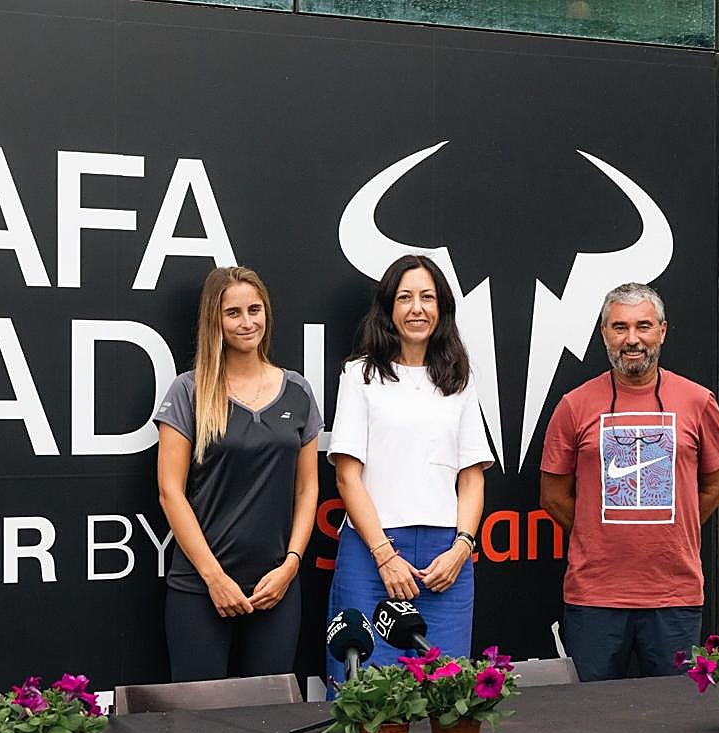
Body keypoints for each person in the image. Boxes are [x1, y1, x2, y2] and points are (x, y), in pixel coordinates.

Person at [539, 282, 719, 681]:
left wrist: (677, 527)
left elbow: (714, 485)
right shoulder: (574, 405)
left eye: (643, 326)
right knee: (591, 719)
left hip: (674, 595)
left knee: (675, 722)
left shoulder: (699, 401)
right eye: (619, 327)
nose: (632, 339)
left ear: (662, 330)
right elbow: (553, 495)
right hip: (594, 598)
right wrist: (597, 531)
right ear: (604, 334)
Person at [326, 254, 494, 688]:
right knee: (366, 695)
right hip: (373, 554)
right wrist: (385, 556)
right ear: (388, 309)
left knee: (448, 693)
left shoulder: (458, 379)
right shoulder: (359, 375)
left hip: (447, 561)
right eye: (405, 298)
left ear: (442, 309)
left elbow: (473, 476)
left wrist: (462, 548)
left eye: (427, 297)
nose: (417, 308)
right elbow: (347, 475)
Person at [155, 266, 323, 681]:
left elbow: (307, 488)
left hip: (276, 588)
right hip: (200, 588)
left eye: (255, 309)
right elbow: (169, 492)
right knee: (197, 728)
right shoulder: (189, 391)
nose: (247, 322)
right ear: (215, 320)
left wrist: (290, 566)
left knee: (268, 723)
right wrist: (215, 578)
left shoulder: (298, 390)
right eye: (233, 313)